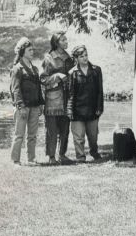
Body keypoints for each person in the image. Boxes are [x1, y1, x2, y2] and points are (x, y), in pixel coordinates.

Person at [41, 31, 74, 164]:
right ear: (56, 43)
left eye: (66, 39)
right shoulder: (48, 58)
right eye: (63, 40)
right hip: (53, 100)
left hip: (66, 98)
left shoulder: (69, 58)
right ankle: (51, 157)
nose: (66, 42)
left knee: (65, 129)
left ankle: (62, 155)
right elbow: (43, 79)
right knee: (52, 130)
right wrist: (57, 76)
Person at [10, 37, 44, 166]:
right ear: (22, 51)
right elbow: (15, 89)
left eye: (33, 50)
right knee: (19, 135)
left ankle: (31, 159)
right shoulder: (17, 69)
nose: (32, 52)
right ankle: (15, 161)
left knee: (32, 135)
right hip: (22, 107)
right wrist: (20, 106)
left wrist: (41, 103)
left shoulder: (35, 69)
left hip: (35, 107)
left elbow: (38, 88)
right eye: (30, 50)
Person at [67, 45, 104, 162]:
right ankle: (80, 157)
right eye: (81, 56)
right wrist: (69, 110)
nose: (85, 58)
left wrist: (99, 107)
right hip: (77, 110)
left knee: (93, 137)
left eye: (86, 55)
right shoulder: (72, 73)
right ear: (76, 58)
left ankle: (94, 152)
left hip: (93, 109)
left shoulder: (96, 70)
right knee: (78, 137)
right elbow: (70, 94)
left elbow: (100, 91)